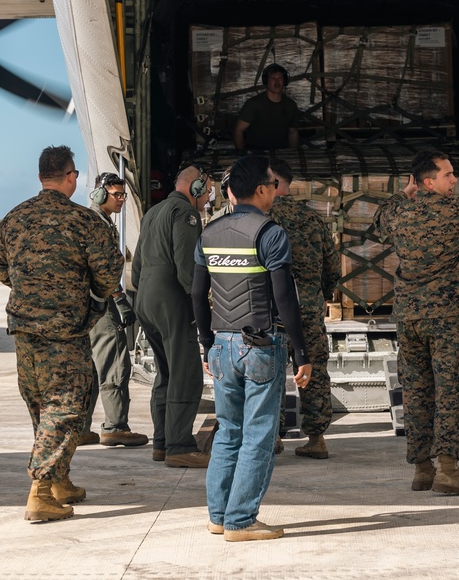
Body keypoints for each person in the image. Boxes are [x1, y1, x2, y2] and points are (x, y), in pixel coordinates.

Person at [0, 145, 123, 522]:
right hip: (64, 331)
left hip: (25, 331)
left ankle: (60, 480)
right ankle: (41, 493)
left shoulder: (14, 219)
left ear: (39, 177)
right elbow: (109, 274)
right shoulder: (84, 222)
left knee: (41, 407)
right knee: (65, 409)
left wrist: (31, 290)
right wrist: (89, 298)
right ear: (71, 177)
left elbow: (1, 266)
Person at [192, 155, 312, 541]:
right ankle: (241, 521)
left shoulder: (208, 233)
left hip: (222, 346)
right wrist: (301, 352)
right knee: (258, 435)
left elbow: (197, 293)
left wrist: (207, 343)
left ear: (229, 191)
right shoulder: (270, 233)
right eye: (273, 186)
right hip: (261, 344)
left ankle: (218, 515)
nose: (275, 192)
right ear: (262, 189)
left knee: (228, 431)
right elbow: (285, 298)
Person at [372, 150, 459, 495]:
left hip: (410, 317)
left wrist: (405, 192)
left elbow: (379, 219)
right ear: (429, 181)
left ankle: (422, 469)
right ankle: (447, 469)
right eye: (448, 175)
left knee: (416, 394)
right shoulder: (455, 209)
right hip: (448, 318)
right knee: (451, 393)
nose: (454, 181)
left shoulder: (400, 212)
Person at [132, 164, 213, 467]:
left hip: (146, 299)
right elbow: (186, 265)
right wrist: (202, 302)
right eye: (206, 190)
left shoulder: (152, 213)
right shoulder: (186, 214)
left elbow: (137, 266)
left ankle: (162, 443)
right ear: (195, 188)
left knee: (164, 373)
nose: (207, 197)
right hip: (171, 298)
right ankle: (180, 446)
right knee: (185, 372)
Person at [268, 158, 339, 459]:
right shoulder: (313, 219)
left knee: (271, 372)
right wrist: (319, 294)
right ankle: (317, 438)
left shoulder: (264, 218)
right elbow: (333, 266)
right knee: (314, 370)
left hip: (272, 308)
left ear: (272, 183)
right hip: (308, 307)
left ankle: (273, 437)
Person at [77, 172, 149, 448]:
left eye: (123, 195)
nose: (121, 200)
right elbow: (103, 270)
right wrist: (119, 300)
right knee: (114, 365)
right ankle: (115, 427)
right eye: (116, 195)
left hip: (87, 303)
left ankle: (82, 428)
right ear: (99, 195)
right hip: (102, 302)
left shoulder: (90, 221)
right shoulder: (98, 224)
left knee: (91, 369)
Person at [233, 63, 300, 150]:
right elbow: (238, 130)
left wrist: (293, 156)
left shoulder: (290, 105)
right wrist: (241, 155)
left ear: (285, 81)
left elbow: (293, 132)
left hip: (281, 154)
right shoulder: (254, 104)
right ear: (266, 81)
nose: (277, 82)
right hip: (257, 155)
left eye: (280, 78)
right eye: (273, 78)